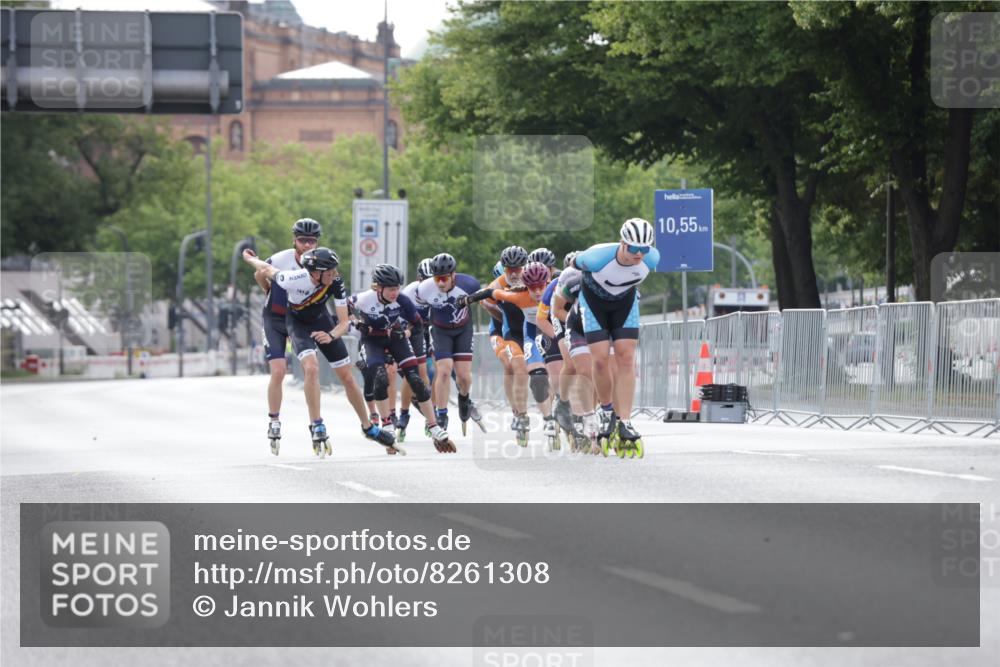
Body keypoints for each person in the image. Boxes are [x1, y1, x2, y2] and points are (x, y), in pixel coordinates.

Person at [242, 247, 398, 456]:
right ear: (315, 273)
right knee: (312, 368)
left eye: (335, 270)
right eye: (330, 272)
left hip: (323, 323)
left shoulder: (336, 283)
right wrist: (250, 259)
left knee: (347, 378)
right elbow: (265, 269)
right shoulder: (292, 278)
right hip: (297, 325)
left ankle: (368, 427)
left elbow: (343, 322)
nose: (335, 275)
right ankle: (317, 424)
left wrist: (332, 335)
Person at [573, 218, 661, 453]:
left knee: (626, 358)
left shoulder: (652, 258)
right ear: (622, 243)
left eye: (644, 249)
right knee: (600, 360)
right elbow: (573, 263)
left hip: (625, 305)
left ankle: (625, 420)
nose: (639, 254)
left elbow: (641, 263)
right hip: (594, 305)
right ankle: (606, 409)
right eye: (633, 248)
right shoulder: (596, 258)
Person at [352, 263, 456, 453]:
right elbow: (344, 307)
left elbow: (418, 325)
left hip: (396, 338)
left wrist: (405, 334)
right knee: (381, 378)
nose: (395, 293)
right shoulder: (364, 299)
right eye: (391, 289)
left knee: (415, 379)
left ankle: (433, 426)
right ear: (378, 287)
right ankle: (387, 424)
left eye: (397, 288)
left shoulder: (402, 300)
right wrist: (357, 322)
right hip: (372, 342)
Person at [462, 260, 555, 445]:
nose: (514, 276)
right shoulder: (500, 286)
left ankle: (549, 413)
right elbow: (486, 298)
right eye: (509, 273)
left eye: (518, 271)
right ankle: (519, 413)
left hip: (535, 330)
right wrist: (497, 311)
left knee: (543, 374)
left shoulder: (536, 287)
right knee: (514, 366)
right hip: (509, 331)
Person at [252, 218, 321, 452]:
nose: (307, 245)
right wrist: (268, 289)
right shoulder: (280, 258)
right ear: (295, 240)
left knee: (309, 368)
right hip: (274, 319)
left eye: (312, 240)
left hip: (297, 320)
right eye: (303, 240)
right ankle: (274, 420)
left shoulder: (319, 261)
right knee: (279, 371)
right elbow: (259, 274)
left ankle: (316, 423)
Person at [414, 252, 483, 434]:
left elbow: (486, 300)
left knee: (464, 377)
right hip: (440, 330)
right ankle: (441, 414)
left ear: (453, 275)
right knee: (443, 371)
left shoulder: (470, 284)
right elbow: (419, 314)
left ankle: (464, 398)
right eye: (437, 279)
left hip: (463, 330)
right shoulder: (424, 288)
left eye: (444, 278)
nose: (441, 283)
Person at [396, 257, 434, 441]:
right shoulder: (409, 292)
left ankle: (430, 416)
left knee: (424, 375)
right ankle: (403, 414)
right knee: (411, 373)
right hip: (404, 329)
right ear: (419, 279)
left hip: (421, 331)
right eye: (425, 280)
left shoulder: (439, 289)